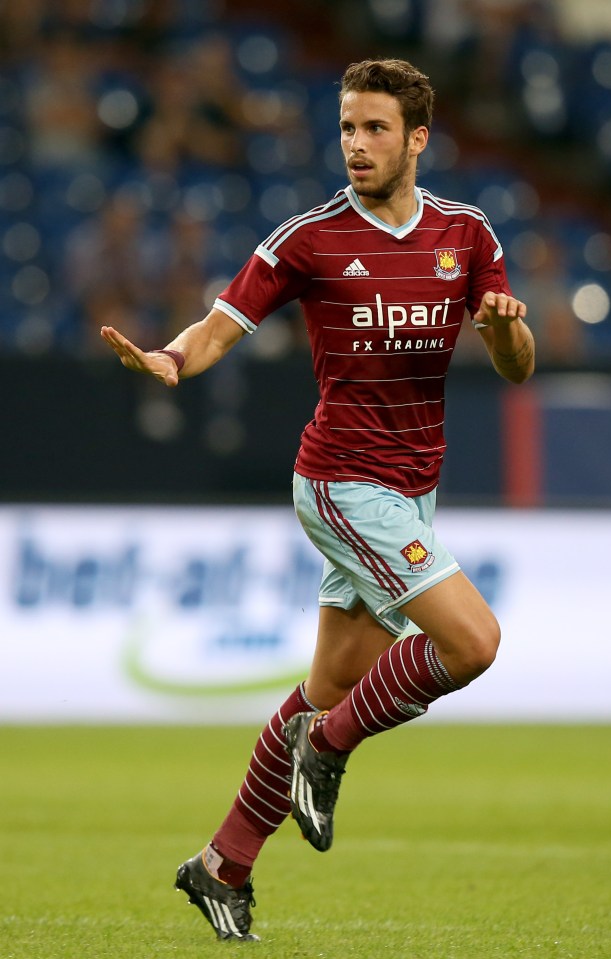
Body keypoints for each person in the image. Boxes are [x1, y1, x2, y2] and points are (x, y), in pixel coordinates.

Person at [101, 58, 535, 942]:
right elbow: (224, 319)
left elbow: (517, 364)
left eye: (376, 129)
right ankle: (327, 748)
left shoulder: (468, 234)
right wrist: (175, 360)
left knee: (330, 683)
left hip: (414, 490)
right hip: (341, 481)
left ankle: (222, 862)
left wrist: (505, 327)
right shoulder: (310, 237)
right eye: (347, 128)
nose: (357, 145)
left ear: (418, 138)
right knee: (472, 642)